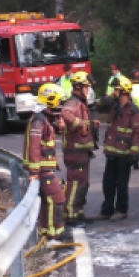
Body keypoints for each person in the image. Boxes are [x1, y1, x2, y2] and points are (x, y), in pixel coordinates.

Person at [89, 79, 139, 222]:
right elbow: (99, 106)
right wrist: (109, 98)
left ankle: (121, 210)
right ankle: (106, 211)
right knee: (107, 183)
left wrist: (134, 152)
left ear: (124, 91)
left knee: (121, 184)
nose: (114, 91)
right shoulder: (113, 106)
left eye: (116, 89)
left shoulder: (133, 111)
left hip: (124, 154)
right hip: (112, 153)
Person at [24, 83, 69, 242]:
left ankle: (46, 231)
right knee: (57, 198)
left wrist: (60, 128)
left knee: (47, 201)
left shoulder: (45, 119)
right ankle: (54, 233)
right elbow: (35, 147)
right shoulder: (39, 120)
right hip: (42, 170)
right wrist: (34, 173)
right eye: (57, 101)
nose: (59, 104)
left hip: (45, 168)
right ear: (49, 101)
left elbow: (47, 137)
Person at [59, 71, 99, 225]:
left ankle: (79, 212)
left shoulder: (81, 103)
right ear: (78, 87)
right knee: (75, 183)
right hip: (75, 151)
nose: (88, 90)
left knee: (83, 183)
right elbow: (65, 113)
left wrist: (90, 124)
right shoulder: (73, 102)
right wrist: (82, 124)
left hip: (82, 151)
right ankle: (70, 215)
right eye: (86, 87)